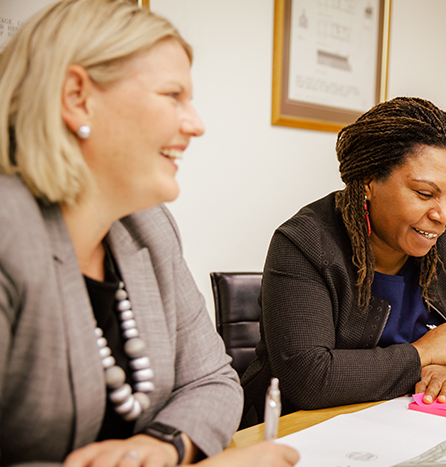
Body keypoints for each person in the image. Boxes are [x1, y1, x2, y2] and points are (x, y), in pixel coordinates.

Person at [0, 1, 298, 466]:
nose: (195, 124)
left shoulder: (149, 226)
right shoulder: (8, 231)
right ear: (77, 96)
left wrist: (165, 444)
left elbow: (213, 381)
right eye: (172, 95)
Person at [240, 97, 446, 427]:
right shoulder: (303, 244)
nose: (443, 215)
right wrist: (422, 355)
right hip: (300, 431)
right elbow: (309, 378)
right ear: (368, 183)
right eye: (424, 193)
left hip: (401, 423)